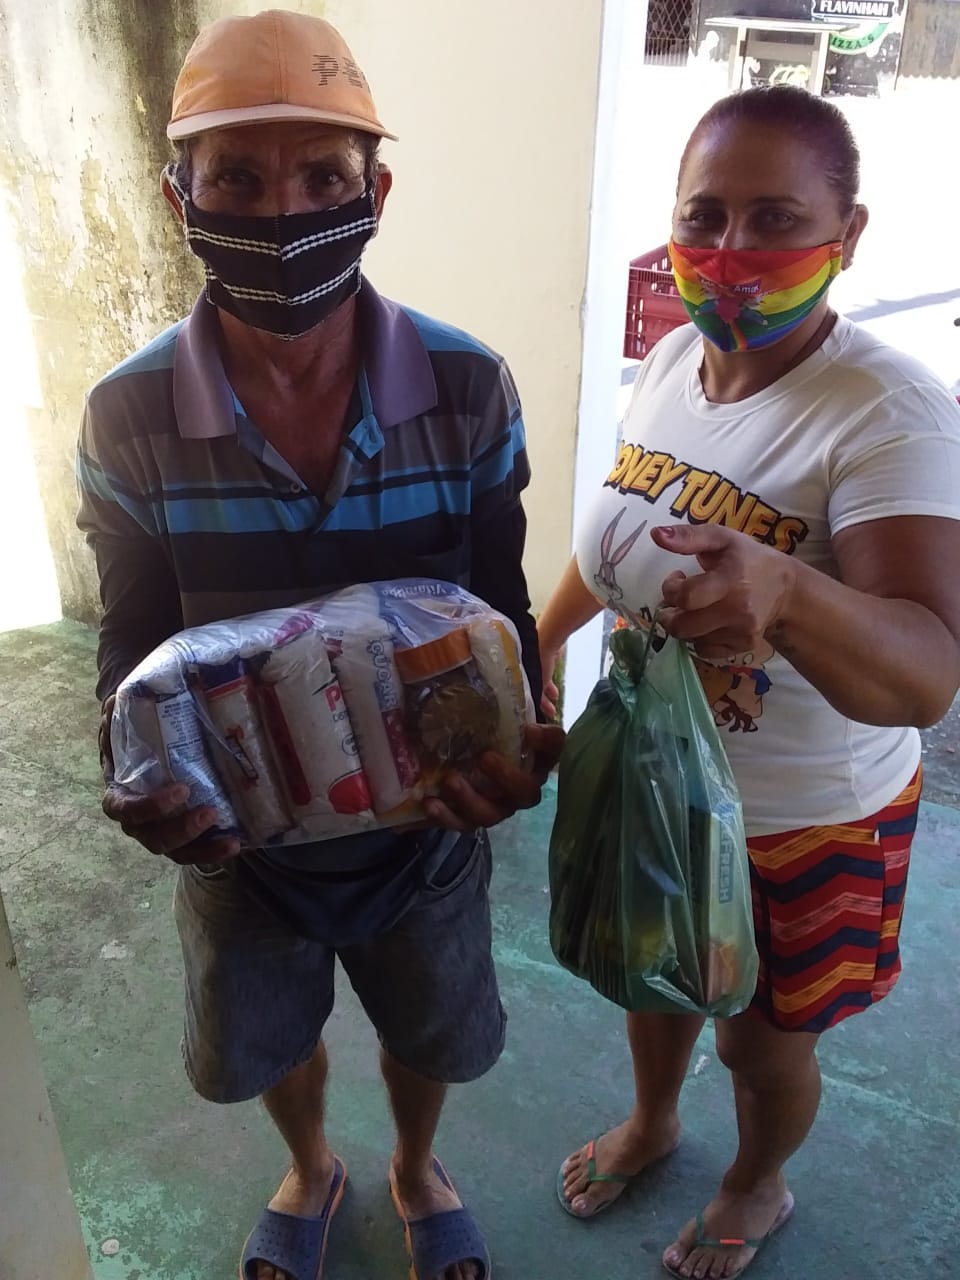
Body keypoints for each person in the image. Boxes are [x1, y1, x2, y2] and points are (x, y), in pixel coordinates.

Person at [76, 12, 562, 1280]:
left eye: (324, 178)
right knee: (272, 1035)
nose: (283, 213)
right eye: (237, 178)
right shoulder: (128, 413)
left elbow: (500, 607)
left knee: (429, 1029)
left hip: (426, 826)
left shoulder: (469, 387)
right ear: (181, 198)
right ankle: (309, 1164)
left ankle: (415, 1163)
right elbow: (132, 638)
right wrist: (137, 775)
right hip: (241, 833)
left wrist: (518, 747)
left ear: (375, 194)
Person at [537, 85, 960, 1279]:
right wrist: (533, 645)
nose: (730, 251)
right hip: (659, 779)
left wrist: (789, 592)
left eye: (775, 218)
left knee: (762, 1047)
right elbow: (611, 537)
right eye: (704, 214)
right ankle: (653, 1121)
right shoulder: (677, 356)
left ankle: (755, 1182)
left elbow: (928, 673)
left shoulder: (889, 414)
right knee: (655, 979)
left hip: (802, 819)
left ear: (848, 234)